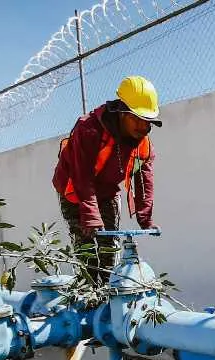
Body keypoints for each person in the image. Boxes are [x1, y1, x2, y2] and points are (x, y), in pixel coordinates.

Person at [52, 75, 161, 283]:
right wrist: (91, 216)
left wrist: (146, 220)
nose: (143, 127)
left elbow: (144, 182)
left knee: (109, 249)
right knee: (87, 251)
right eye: (137, 119)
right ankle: (89, 295)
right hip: (74, 189)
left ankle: (107, 297)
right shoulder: (89, 129)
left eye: (147, 122)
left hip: (106, 190)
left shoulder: (143, 144)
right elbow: (81, 175)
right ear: (121, 112)